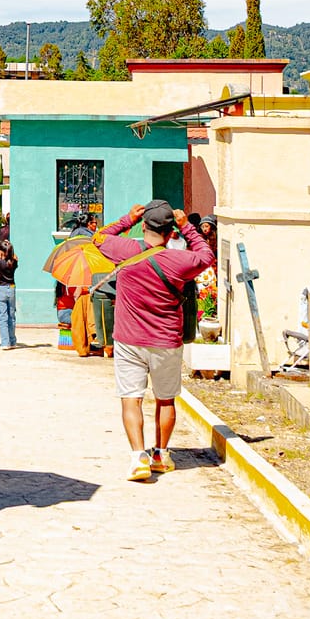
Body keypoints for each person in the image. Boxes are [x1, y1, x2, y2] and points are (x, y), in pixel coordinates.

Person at [93, 200, 213, 482]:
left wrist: (127, 219)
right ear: (171, 232)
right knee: (165, 399)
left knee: (131, 400)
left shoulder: (125, 251)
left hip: (129, 340)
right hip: (166, 342)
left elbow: (98, 238)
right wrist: (189, 229)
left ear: (144, 225)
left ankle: (138, 458)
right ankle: (160, 453)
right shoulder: (179, 261)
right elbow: (206, 256)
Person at [0, 233, 19, 348]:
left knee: (2, 316)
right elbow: (14, 255)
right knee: (11, 316)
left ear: (1, 251)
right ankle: (12, 341)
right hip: (12, 289)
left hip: (1, 290)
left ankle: (5, 342)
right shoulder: (14, 262)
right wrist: (8, 246)